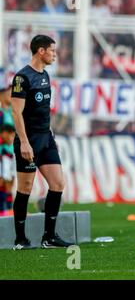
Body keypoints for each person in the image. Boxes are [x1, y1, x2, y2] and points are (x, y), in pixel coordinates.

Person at [11, 35, 73, 250]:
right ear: (41, 51)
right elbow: (16, 113)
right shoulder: (22, 78)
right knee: (25, 188)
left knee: (58, 184)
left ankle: (49, 237)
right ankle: (20, 239)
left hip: (46, 139)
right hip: (29, 142)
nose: (55, 54)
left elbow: (43, 111)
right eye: (52, 51)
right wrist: (25, 143)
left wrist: (50, 134)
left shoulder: (45, 75)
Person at [0, 84, 15, 217]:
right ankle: (2, 208)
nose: (11, 96)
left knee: (10, 180)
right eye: (9, 93)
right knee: (2, 180)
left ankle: (9, 208)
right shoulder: (0, 112)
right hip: (2, 151)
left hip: (12, 151)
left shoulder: (11, 110)